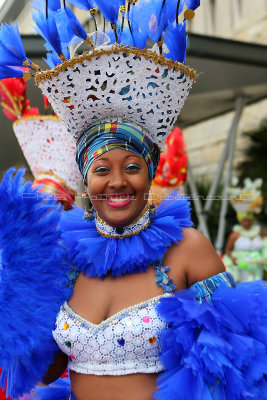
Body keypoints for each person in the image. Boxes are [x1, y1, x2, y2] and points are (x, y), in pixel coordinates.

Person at [0, 1, 266, 400]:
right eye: (102, 169)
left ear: (150, 174)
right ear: (86, 180)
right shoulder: (65, 256)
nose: (117, 182)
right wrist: (16, 304)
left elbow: (234, 371)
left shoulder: (188, 249)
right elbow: (48, 370)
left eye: (132, 167)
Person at [223, 178, 267, 282]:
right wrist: (233, 260)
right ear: (240, 221)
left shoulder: (259, 232)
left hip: (258, 266)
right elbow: (228, 250)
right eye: (244, 221)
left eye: (248, 221)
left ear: (251, 220)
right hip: (243, 267)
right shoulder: (235, 234)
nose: (246, 223)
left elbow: (265, 247)